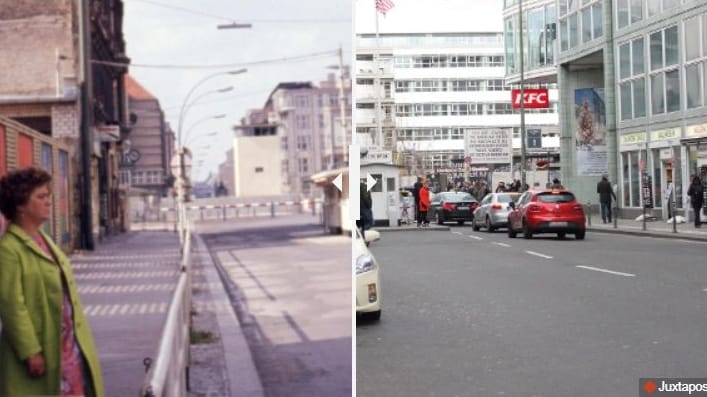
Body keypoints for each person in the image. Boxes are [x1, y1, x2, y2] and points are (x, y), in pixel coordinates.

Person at [0, 167, 104, 397]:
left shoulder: (43, 239)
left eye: (48, 196)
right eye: (41, 197)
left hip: (68, 344)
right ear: (20, 205)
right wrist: (30, 352)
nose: (49, 202)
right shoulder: (9, 249)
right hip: (41, 347)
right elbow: (12, 307)